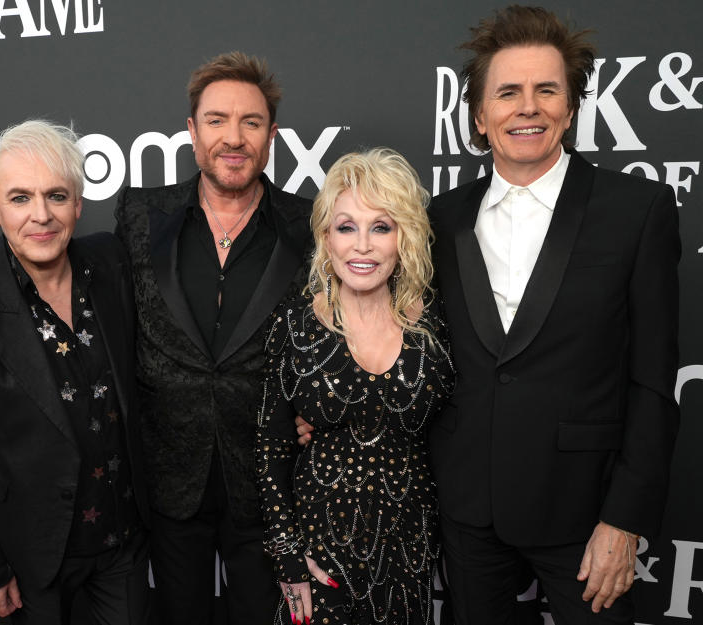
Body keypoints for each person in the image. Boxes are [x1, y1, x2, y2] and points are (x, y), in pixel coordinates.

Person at [427, 6, 680, 624]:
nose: (528, 107)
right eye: (508, 92)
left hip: (586, 512)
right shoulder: (439, 219)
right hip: (467, 509)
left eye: (547, 90)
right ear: (480, 116)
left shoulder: (637, 210)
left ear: (570, 109)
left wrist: (623, 520)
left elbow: (652, 381)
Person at [0, 120, 149, 625]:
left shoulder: (110, 263)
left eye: (56, 196)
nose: (41, 215)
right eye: (20, 198)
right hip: (27, 551)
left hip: (121, 539)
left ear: (78, 203)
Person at [114, 51, 312, 624]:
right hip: (169, 475)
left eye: (251, 122)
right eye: (217, 120)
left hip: (271, 481)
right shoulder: (140, 214)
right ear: (191, 131)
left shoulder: (311, 224)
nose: (234, 138)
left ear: (271, 135)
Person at [259, 149, 455, 625]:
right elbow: (270, 446)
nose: (362, 245)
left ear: (403, 237)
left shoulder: (437, 328)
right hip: (318, 554)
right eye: (347, 227)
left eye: (381, 227)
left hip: (408, 555)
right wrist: (287, 556)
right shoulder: (295, 327)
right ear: (326, 238)